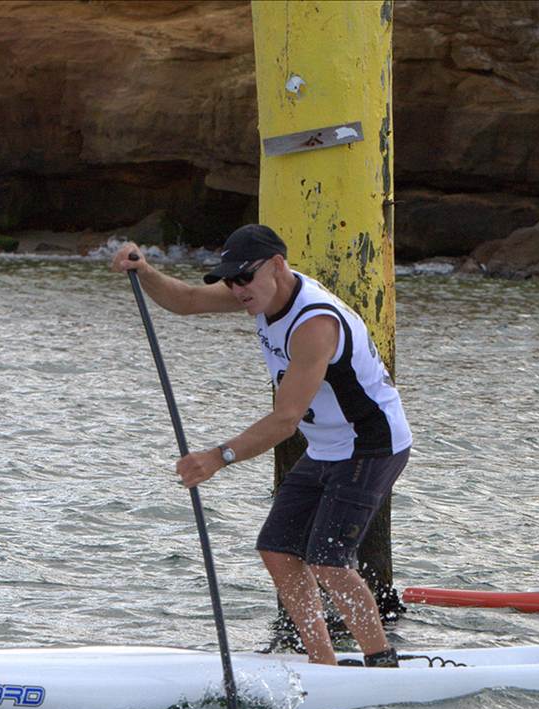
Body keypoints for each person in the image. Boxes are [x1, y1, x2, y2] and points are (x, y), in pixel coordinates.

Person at [111, 224, 412, 666]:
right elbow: (187, 300)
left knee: (328, 561)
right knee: (277, 549)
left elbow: (285, 420)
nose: (237, 289)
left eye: (244, 277)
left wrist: (217, 457)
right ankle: (323, 663)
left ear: (277, 265)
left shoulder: (315, 323)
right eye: (230, 280)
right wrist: (145, 271)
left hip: (372, 445)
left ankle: (381, 662)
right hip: (327, 445)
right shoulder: (260, 293)